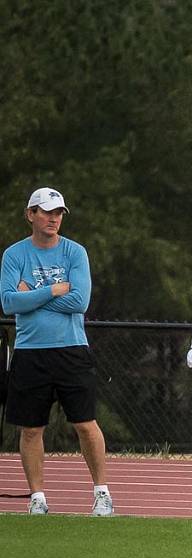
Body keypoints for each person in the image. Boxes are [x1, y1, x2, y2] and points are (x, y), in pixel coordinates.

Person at [0, 187, 113, 516]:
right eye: (47, 212)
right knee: (31, 428)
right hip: (30, 352)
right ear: (30, 214)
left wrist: (31, 295)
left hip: (72, 350)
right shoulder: (15, 255)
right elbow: (9, 302)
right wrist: (52, 290)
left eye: (59, 212)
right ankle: (37, 498)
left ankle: (102, 493)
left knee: (85, 424)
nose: (53, 218)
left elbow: (79, 302)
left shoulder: (75, 253)